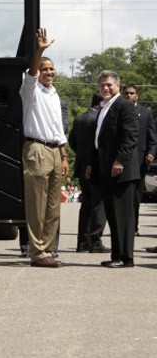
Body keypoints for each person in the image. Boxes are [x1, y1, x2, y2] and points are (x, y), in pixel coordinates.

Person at [19, 28, 68, 268]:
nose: (49, 73)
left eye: (51, 69)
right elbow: (31, 72)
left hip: (55, 151)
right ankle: (37, 252)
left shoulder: (54, 94)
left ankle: (48, 249)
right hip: (37, 149)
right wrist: (39, 51)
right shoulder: (31, 90)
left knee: (53, 206)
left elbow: (58, 129)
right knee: (37, 205)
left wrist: (64, 155)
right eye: (45, 69)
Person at [92, 71, 140, 268]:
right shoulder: (105, 107)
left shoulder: (124, 105)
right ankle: (116, 255)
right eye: (102, 85)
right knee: (113, 215)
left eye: (109, 85)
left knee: (123, 216)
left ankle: (126, 258)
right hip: (106, 168)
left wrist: (120, 161)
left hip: (121, 170)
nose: (105, 88)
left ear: (117, 86)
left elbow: (131, 136)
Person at [68, 93, 107, 252]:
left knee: (86, 204)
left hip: (81, 165)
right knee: (99, 204)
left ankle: (82, 242)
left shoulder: (79, 118)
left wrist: (81, 155)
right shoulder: (101, 118)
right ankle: (95, 241)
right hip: (97, 165)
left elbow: (72, 141)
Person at [122, 84, 157, 236]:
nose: (129, 96)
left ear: (137, 95)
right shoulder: (118, 111)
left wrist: (151, 153)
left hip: (140, 161)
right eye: (126, 93)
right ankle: (121, 227)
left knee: (135, 195)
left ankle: (133, 227)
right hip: (122, 159)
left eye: (132, 93)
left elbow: (152, 137)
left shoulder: (146, 113)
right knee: (122, 196)